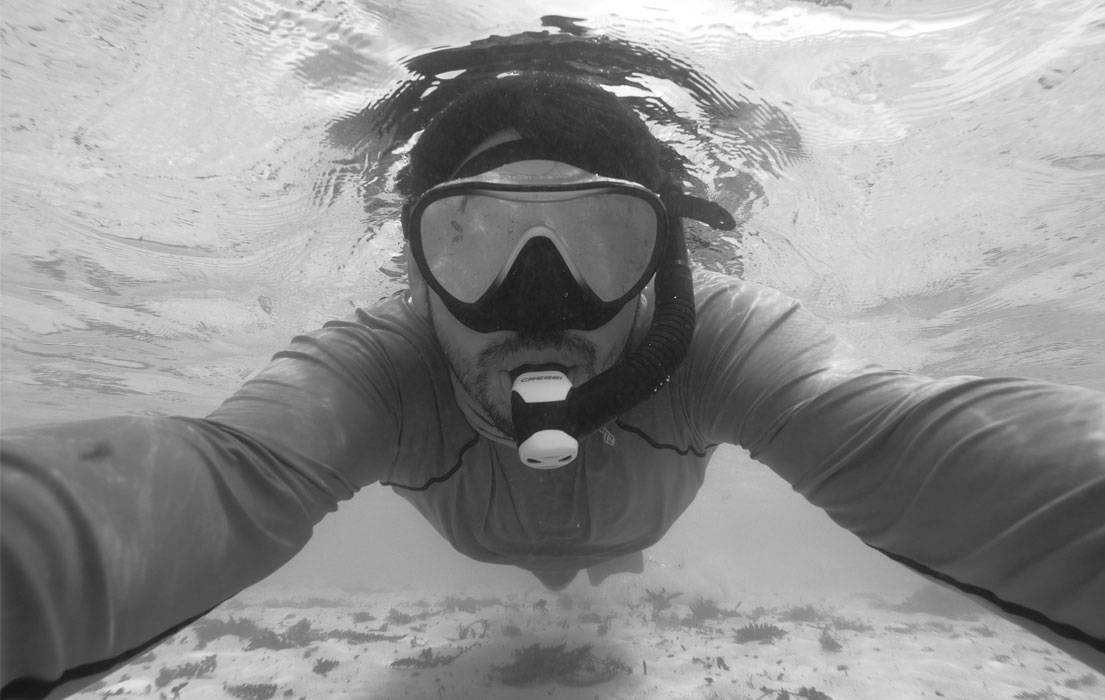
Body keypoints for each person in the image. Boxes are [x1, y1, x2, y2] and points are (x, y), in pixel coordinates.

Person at [2, 73, 1103, 699]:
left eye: (598, 239)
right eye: (475, 242)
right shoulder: (377, 366)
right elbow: (213, 476)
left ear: (665, 267)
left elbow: (911, 437)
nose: (542, 302)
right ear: (413, 268)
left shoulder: (719, 337)